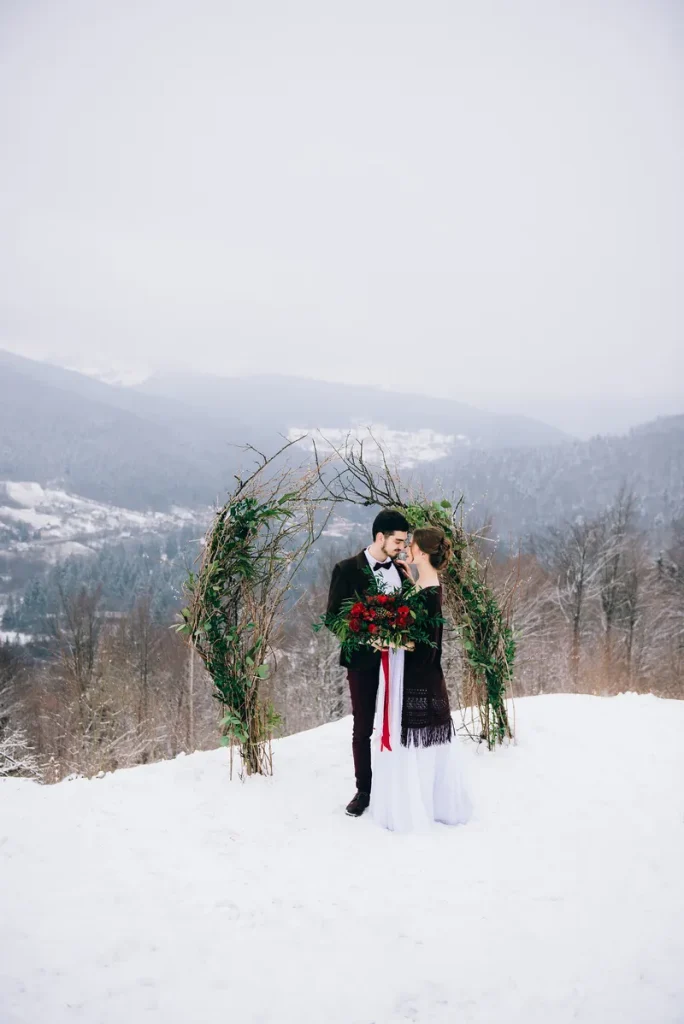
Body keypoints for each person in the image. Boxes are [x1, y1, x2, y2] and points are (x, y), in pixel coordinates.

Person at [369, 526, 473, 832]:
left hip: (418, 677)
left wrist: (390, 640)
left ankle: (414, 809)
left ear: (424, 554)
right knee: (413, 746)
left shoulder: (429, 594)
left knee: (414, 746)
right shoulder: (424, 585)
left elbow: (426, 644)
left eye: (411, 546)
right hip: (411, 673)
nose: (407, 549)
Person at [326, 508, 411, 816]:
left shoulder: (400, 571)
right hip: (362, 660)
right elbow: (332, 618)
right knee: (363, 726)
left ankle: (395, 781)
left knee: (398, 722)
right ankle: (364, 790)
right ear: (380, 537)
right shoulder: (346, 569)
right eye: (399, 541)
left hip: (399, 661)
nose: (402, 546)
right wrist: (364, 636)